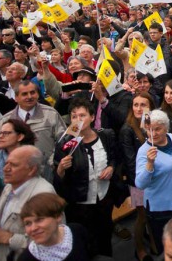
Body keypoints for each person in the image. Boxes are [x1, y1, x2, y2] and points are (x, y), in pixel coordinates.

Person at [53, 98, 117, 257]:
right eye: (74, 116)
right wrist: (61, 168)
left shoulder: (106, 136)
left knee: (104, 236)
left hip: (103, 198)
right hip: (80, 204)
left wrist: (111, 168)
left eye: (82, 116)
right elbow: (58, 180)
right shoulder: (66, 144)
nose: (78, 120)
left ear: (92, 117)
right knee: (85, 241)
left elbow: (114, 158)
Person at [0, 146, 56, 261]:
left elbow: (50, 243)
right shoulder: (8, 187)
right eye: (6, 164)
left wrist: (6, 238)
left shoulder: (44, 194)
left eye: (14, 165)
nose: (5, 169)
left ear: (32, 169)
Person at [136, 109, 172, 255]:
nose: (153, 133)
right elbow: (140, 183)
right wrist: (149, 165)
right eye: (149, 129)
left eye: (157, 129)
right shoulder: (143, 151)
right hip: (162, 208)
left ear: (166, 128)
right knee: (169, 247)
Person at [0, 80, 66, 181]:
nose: (29, 97)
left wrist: (51, 163)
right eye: (24, 94)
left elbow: (63, 142)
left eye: (32, 92)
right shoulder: (5, 120)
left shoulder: (51, 114)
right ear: (16, 98)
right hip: (16, 176)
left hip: (47, 172)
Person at [120, 91, 156, 261]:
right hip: (138, 181)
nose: (139, 108)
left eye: (143, 105)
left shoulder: (153, 125)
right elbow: (130, 161)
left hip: (156, 178)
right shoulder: (127, 129)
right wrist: (141, 182)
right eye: (136, 104)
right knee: (142, 216)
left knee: (154, 213)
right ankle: (140, 249)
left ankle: (155, 243)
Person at [17, 193, 89, 261]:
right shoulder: (27, 258)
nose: (33, 228)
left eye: (39, 220)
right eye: (28, 223)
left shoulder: (76, 232)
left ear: (58, 216)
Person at [0, 119, 36, 184]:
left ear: (20, 137)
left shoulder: (36, 159)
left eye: (6, 133)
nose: (0, 136)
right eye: (0, 133)